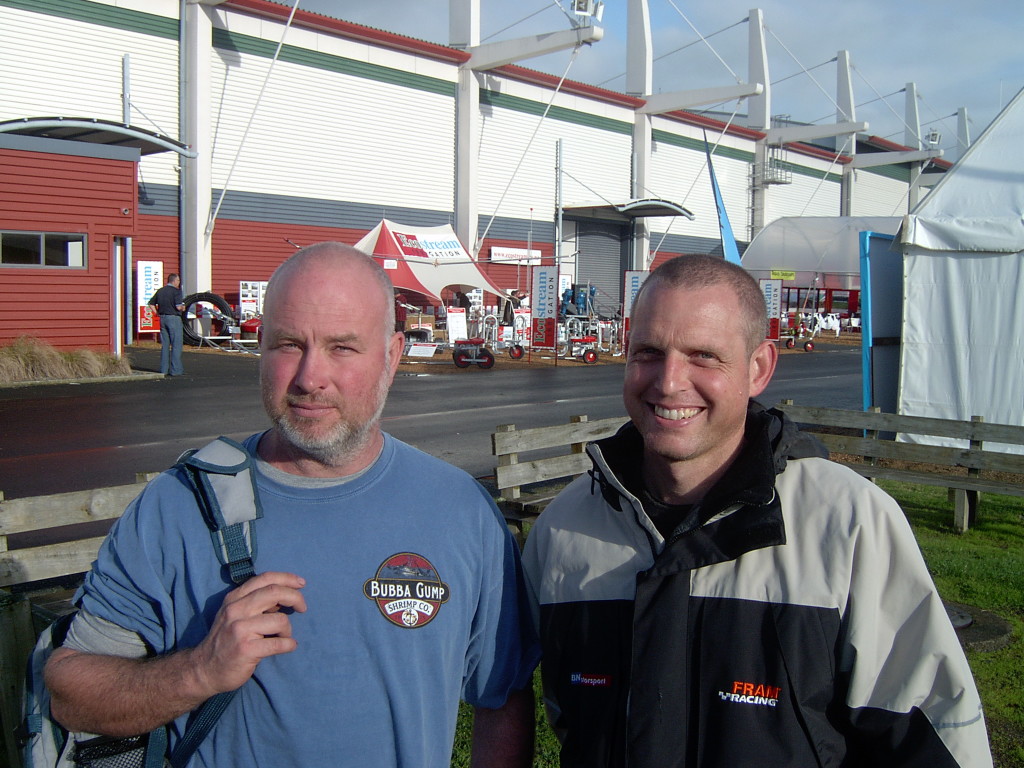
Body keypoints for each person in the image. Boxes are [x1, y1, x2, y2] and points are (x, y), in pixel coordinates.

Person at [46, 243, 539, 767]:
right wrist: (198, 671)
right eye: (288, 344)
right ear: (260, 345)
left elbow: (502, 695)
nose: (309, 377)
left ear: (392, 356)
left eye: (342, 348)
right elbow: (71, 692)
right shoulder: (178, 506)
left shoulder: (460, 510)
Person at [522, 254, 991, 768]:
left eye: (703, 356)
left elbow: (933, 739)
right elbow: (559, 716)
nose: (669, 381)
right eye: (649, 352)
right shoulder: (563, 531)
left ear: (759, 368)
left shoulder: (851, 524)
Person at [148, 272, 185, 376]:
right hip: (174, 318)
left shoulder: (160, 291)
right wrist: (183, 307)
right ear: (174, 281)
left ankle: (163, 369)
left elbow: (151, 303)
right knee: (176, 344)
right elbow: (178, 307)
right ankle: (176, 370)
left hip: (162, 318)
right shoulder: (176, 292)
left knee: (165, 345)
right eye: (178, 280)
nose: (178, 282)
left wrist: (157, 313)